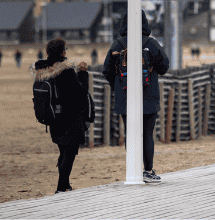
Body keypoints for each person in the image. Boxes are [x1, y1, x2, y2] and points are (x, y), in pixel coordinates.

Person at [102, 10, 170, 184]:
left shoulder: (117, 45)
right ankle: (148, 171)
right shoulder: (151, 43)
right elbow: (164, 67)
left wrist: (117, 87)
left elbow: (107, 71)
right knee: (147, 134)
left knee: (130, 133)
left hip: (125, 98)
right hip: (149, 97)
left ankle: (132, 169)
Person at [32, 38, 90, 194]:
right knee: (69, 153)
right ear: (63, 52)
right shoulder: (66, 70)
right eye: (65, 49)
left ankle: (65, 185)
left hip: (53, 118)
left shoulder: (42, 69)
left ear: (47, 52)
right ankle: (61, 187)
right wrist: (83, 74)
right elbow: (81, 93)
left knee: (63, 152)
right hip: (70, 117)